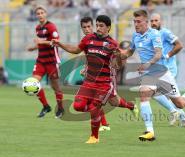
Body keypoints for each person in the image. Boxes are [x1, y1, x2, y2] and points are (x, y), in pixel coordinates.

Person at [119, 10, 185, 141]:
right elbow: (130, 51)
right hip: (148, 75)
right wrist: (121, 54)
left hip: (162, 73)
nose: (136, 24)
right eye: (134, 22)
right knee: (144, 94)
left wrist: (147, 64)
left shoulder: (155, 34)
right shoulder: (136, 36)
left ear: (146, 22)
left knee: (180, 104)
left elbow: (158, 54)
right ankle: (150, 131)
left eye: (139, 22)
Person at [52, 15, 138, 144]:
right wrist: (59, 43)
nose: (98, 28)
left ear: (108, 28)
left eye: (101, 26)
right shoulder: (88, 39)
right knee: (78, 106)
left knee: (95, 106)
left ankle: (94, 137)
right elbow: (76, 50)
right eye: (97, 25)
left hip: (104, 83)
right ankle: (130, 106)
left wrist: (119, 57)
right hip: (89, 82)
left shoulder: (112, 44)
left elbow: (118, 65)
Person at [79, 17, 139, 132]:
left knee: (107, 101)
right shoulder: (88, 40)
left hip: (107, 77)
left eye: (89, 27)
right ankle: (110, 121)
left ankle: (107, 123)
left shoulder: (106, 41)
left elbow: (116, 57)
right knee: (111, 102)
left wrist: (118, 62)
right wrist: (86, 67)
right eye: (84, 27)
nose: (87, 29)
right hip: (94, 77)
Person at [150, 13, 185, 127]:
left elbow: (179, 45)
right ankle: (184, 118)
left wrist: (168, 55)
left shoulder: (165, 33)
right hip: (158, 70)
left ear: (161, 22)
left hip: (169, 69)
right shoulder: (150, 34)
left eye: (156, 20)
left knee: (156, 92)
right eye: (152, 21)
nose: (153, 23)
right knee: (169, 98)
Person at [27, 5, 64, 118]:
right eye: (38, 13)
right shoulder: (38, 27)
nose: (40, 15)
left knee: (56, 87)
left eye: (42, 13)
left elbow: (56, 42)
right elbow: (40, 43)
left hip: (52, 61)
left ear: (46, 13)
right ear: (36, 15)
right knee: (33, 84)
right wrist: (33, 47)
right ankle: (46, 106)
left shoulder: (51, 27)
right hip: (41, 61)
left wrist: (41, 41)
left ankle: (60, 108)